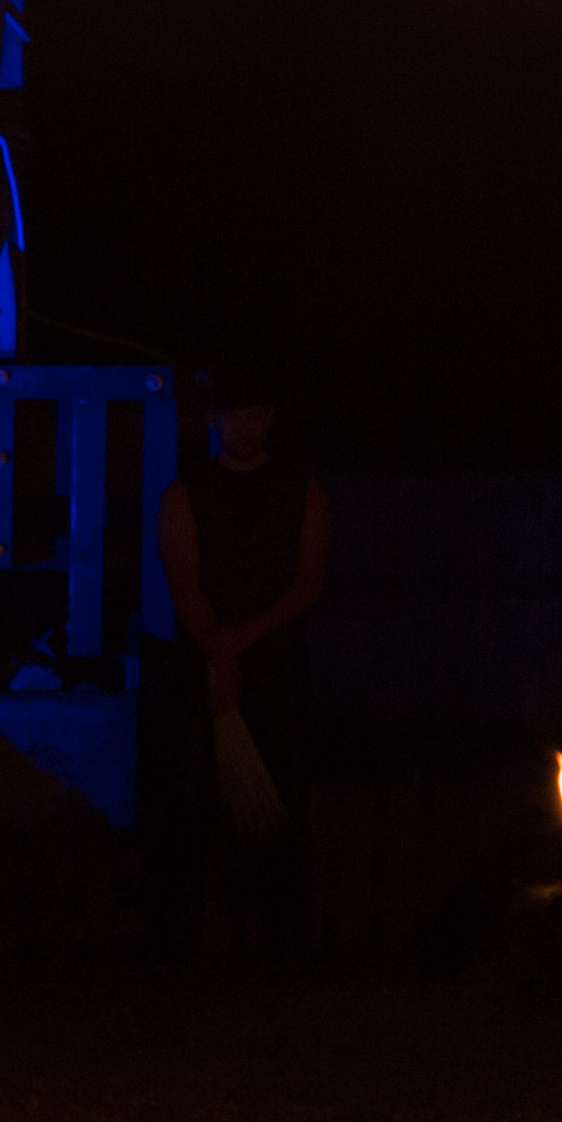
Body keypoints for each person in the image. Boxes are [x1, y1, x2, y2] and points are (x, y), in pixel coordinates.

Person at [161, 370, 331, 883]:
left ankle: (275, 906)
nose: (245, 427)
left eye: (254, 415)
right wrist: (220, 651)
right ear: (215, 420)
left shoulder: (304, 491)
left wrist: (237, 642)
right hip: (205, 660)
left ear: (270, 418)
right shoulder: (185, 493)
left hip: (276, 664)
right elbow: (184, 583)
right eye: (234, 416)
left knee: (280, 786)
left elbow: (307, 584)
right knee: (201, 791)